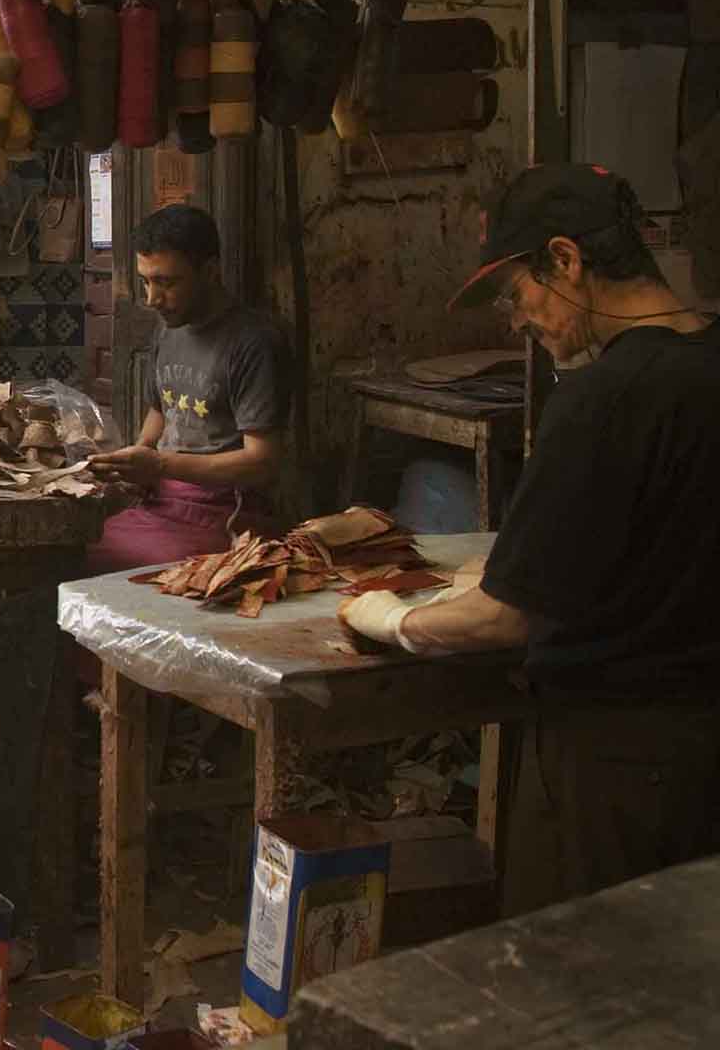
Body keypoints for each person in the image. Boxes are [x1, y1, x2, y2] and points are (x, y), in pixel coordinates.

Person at [339, 164, 720, 914]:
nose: (517, 321)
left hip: (615, 768)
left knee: (579, 994)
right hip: (704, 755)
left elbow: (508, 617)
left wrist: (391, 617)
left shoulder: (600, 401)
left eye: (519, 293)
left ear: (567, 260)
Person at [85, 204, 291, 572]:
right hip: (162, 497)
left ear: (210, 272)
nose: (151, 299)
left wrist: (159, 464)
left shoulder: (253, 343)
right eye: (145, 281)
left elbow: (262, 463)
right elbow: (160, 410)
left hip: (228, 509)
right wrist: (139, 458)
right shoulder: (168, 327)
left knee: (113, 563)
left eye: (166, 282)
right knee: (71, 542)